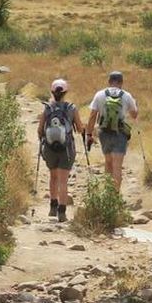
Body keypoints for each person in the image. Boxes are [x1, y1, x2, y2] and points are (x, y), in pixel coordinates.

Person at [37, 78, 84, 221]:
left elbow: (40, 130)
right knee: (63, 180)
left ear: (52, 92)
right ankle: (62, 212)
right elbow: (80, 128)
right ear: (65, 93)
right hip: (66, 149)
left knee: (53, 177)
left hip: (50, 148)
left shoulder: (47, 108)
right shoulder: (71, 108)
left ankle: (52, 206)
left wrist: (44, 142)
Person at [85, 71, 139, 192]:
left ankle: (107, 195)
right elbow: (134, 115)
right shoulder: (126, 95)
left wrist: (89, 134)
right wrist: (136, 105)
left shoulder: (99, 95)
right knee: (117, 167)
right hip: (120, 134)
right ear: (121, 82)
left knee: (108, 163)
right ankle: (115, 196)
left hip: (104, 133)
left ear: (109, 82)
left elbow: (92, 115)